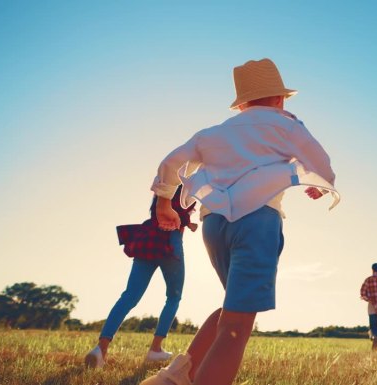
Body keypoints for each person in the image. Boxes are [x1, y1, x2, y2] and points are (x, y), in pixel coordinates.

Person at [140, 58, 338, 385]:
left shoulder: (214, 133)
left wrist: (164, 201)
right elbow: (321, 162)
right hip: (257, 222)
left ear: (242, 105)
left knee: (232, 308)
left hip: (213, 225)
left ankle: (176, 377)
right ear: (280, 99)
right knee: (237, 326)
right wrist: (320, 183)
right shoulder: (287, 125)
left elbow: (171, 161)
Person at [85, 185, 197, 369]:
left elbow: (164, 210)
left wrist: (187, 222)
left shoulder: (165, 182)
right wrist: (187, 222)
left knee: (129, 296)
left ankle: (101, 349)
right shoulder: (187, 185)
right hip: (170, 241)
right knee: (173, 297)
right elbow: (178, 214)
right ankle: (155, 349)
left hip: (149, 237)